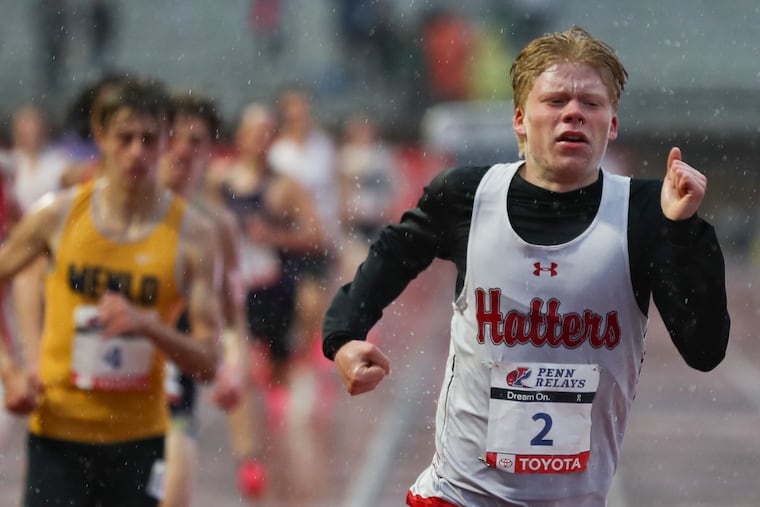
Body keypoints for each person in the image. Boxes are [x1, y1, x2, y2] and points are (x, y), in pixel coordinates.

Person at [322, 27, 730, 507]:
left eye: (591, 104)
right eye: (555, 100)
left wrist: (682, 232)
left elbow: (704, 349)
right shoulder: (466, 196)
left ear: (612, 124)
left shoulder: (646, 211)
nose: (573, 112)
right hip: (457, 496)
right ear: (519, 118)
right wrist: (345, 336)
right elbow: (391, 254)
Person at [0, 77, 222, 507]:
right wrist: (11, 371)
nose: (136, 151)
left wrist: (148, 326)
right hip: (59, 437)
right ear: (100, 138)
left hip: (138, 444)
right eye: (124, 138)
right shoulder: (59, 215)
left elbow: (209, 362)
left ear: (165, 143)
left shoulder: (193, 236)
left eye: (148, 139)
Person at [207, 102, 326, 498]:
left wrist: (273, 237)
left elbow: (315, 234)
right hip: (232, 295)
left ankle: (278, 456)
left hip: (273, 291)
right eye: (254, 130)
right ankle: (250, 460)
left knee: (276, 375)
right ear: (239, 137)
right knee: (236, 371)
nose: (261, 138)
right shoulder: (218, 180)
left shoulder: (284, 186)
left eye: (267, 132)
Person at [158, 91, 248, 506]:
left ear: (211, 151)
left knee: (176, 481)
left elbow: (233, 316)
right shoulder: (125, 206)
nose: (182, 149)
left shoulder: (217, 223)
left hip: (176, 375)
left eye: (195, 141)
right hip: (117, 369)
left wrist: (232, 368)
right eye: (173, 136)